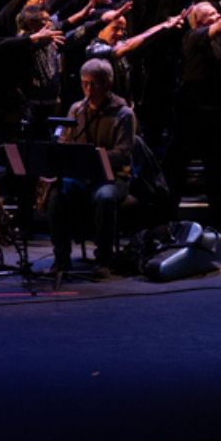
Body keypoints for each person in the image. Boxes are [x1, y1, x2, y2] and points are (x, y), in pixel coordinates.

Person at [45, 58, 137, 277]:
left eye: (93, 84)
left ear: (107, 84)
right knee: (57, 194)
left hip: (113, 177)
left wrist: (93, 157)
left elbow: (124, 152)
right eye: (84, 83)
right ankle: (61, 258)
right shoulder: (76, 109)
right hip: (81, 175)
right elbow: (67, 142)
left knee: (105, 198)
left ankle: (103, 259)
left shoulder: (124, 114)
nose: (87, 89)